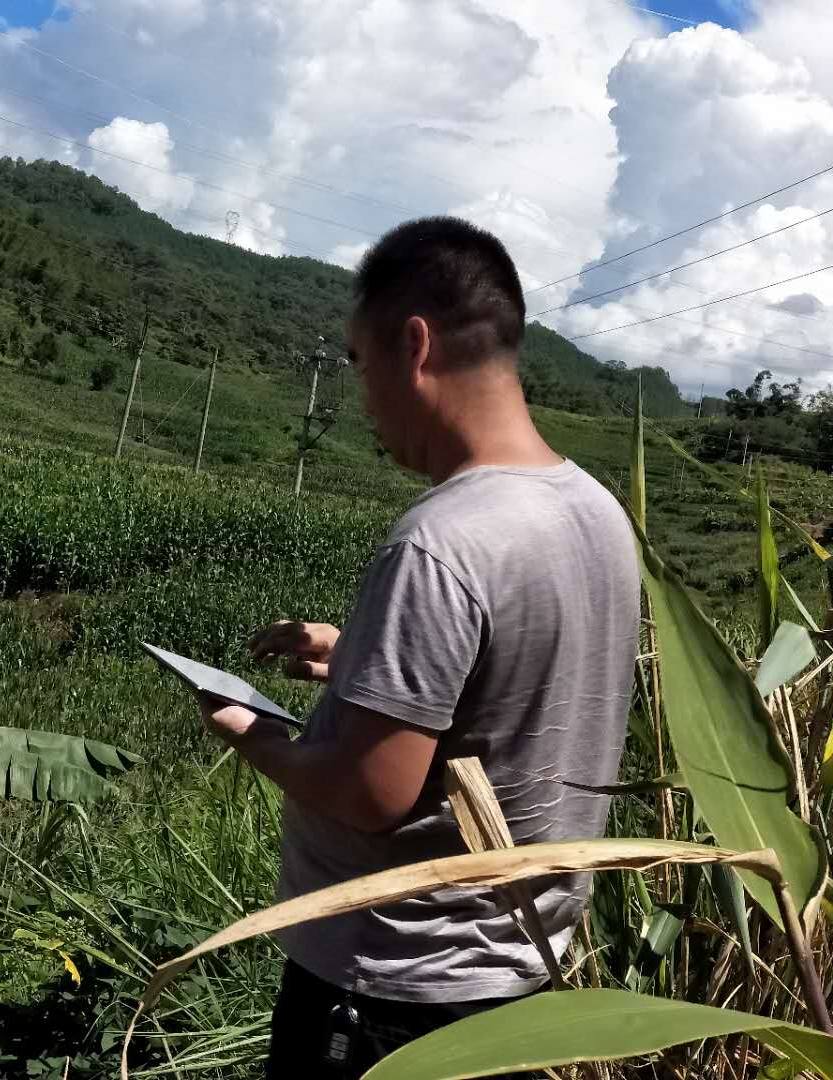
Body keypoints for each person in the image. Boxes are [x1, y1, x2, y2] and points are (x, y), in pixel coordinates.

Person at [198, 217, 640, 1077]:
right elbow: (514, 682)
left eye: (360, 364)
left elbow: (370, 794)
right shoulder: (595, 510)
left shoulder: (440, 543)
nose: (364, 400)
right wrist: (359, 656)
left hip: (390, 990)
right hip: (520, 975)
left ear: (414, 345)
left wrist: (247, 728)